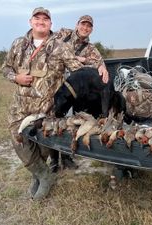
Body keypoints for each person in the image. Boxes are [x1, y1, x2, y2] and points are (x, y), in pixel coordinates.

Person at [1, 7, 107, 200]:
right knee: (19, 141)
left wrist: (99, 66)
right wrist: (15, 77)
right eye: (37, 18)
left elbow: (78, 69)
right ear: (30, 21)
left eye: (45, 19)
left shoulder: (59, 46)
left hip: (47, 109)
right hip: (20, 107)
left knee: (43, 145)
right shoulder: (18, 44)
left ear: (51, 24)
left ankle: (41, 177)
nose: (41, 21)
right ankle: (42, 174)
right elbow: (5, 68)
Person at [48, 15, 108, 173]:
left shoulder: (91, 48)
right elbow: (51, 48)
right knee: (54, 119)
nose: (85, 28)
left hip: (74, 92)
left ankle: (67, 156)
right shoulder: (62, 34)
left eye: (89, 26)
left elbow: (99, 63)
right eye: (83, 24)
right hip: (54, 85)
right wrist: (77, 58)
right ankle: (53, 159)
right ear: (77, 25)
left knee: (69, 122)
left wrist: (102, 66)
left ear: (91, 29)